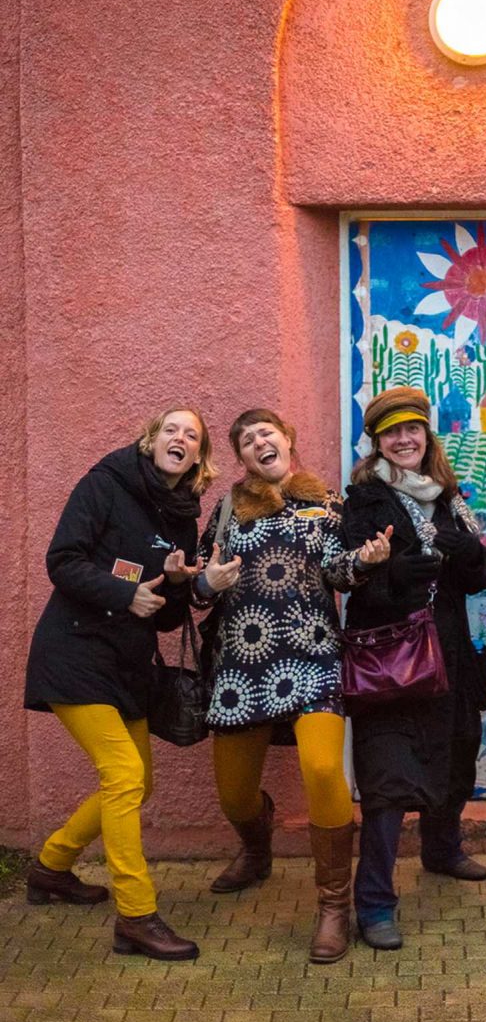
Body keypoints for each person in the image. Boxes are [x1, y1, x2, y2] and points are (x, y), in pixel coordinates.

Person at [195, 408, 389, 964]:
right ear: (242, 457)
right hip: (241, 665)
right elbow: (199, 586)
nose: (259, 442)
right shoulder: (228, 510)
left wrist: (364, 561)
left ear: (287, 439)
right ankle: (257, 851)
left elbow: (337, 570)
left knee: (324, 770)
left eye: (267, 433)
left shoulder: (326, 503)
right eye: (247, 440)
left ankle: (334, 906)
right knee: (234, 794)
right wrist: (206, 582)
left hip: (313, 657)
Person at [24, 406, 216, 960]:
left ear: (198, 457)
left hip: (127, 667)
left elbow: (164, 617)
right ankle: (136, 915)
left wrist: (176, 584)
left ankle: (51, 867)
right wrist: (124, 593)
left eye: (192, 436)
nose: (180, 438)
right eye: (171, 429)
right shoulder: (105, 484)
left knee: (137, 782)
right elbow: (63, 560)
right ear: (151, 440)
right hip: (75, 653)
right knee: (125, 775)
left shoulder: (182, 518)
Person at [340, 386, 486, 951]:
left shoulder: (450, 496)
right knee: (386, 782)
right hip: (392, 661)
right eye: (392, 432)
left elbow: (482, 577)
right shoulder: (363, 501)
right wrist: (392, 576)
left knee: (457, 756)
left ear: (427, 435)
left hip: (450, 656)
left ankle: (442, 849)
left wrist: (468, 552)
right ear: (377, 442)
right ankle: (374, 904)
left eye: (413, 429)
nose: (404, 440)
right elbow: (348, 577)